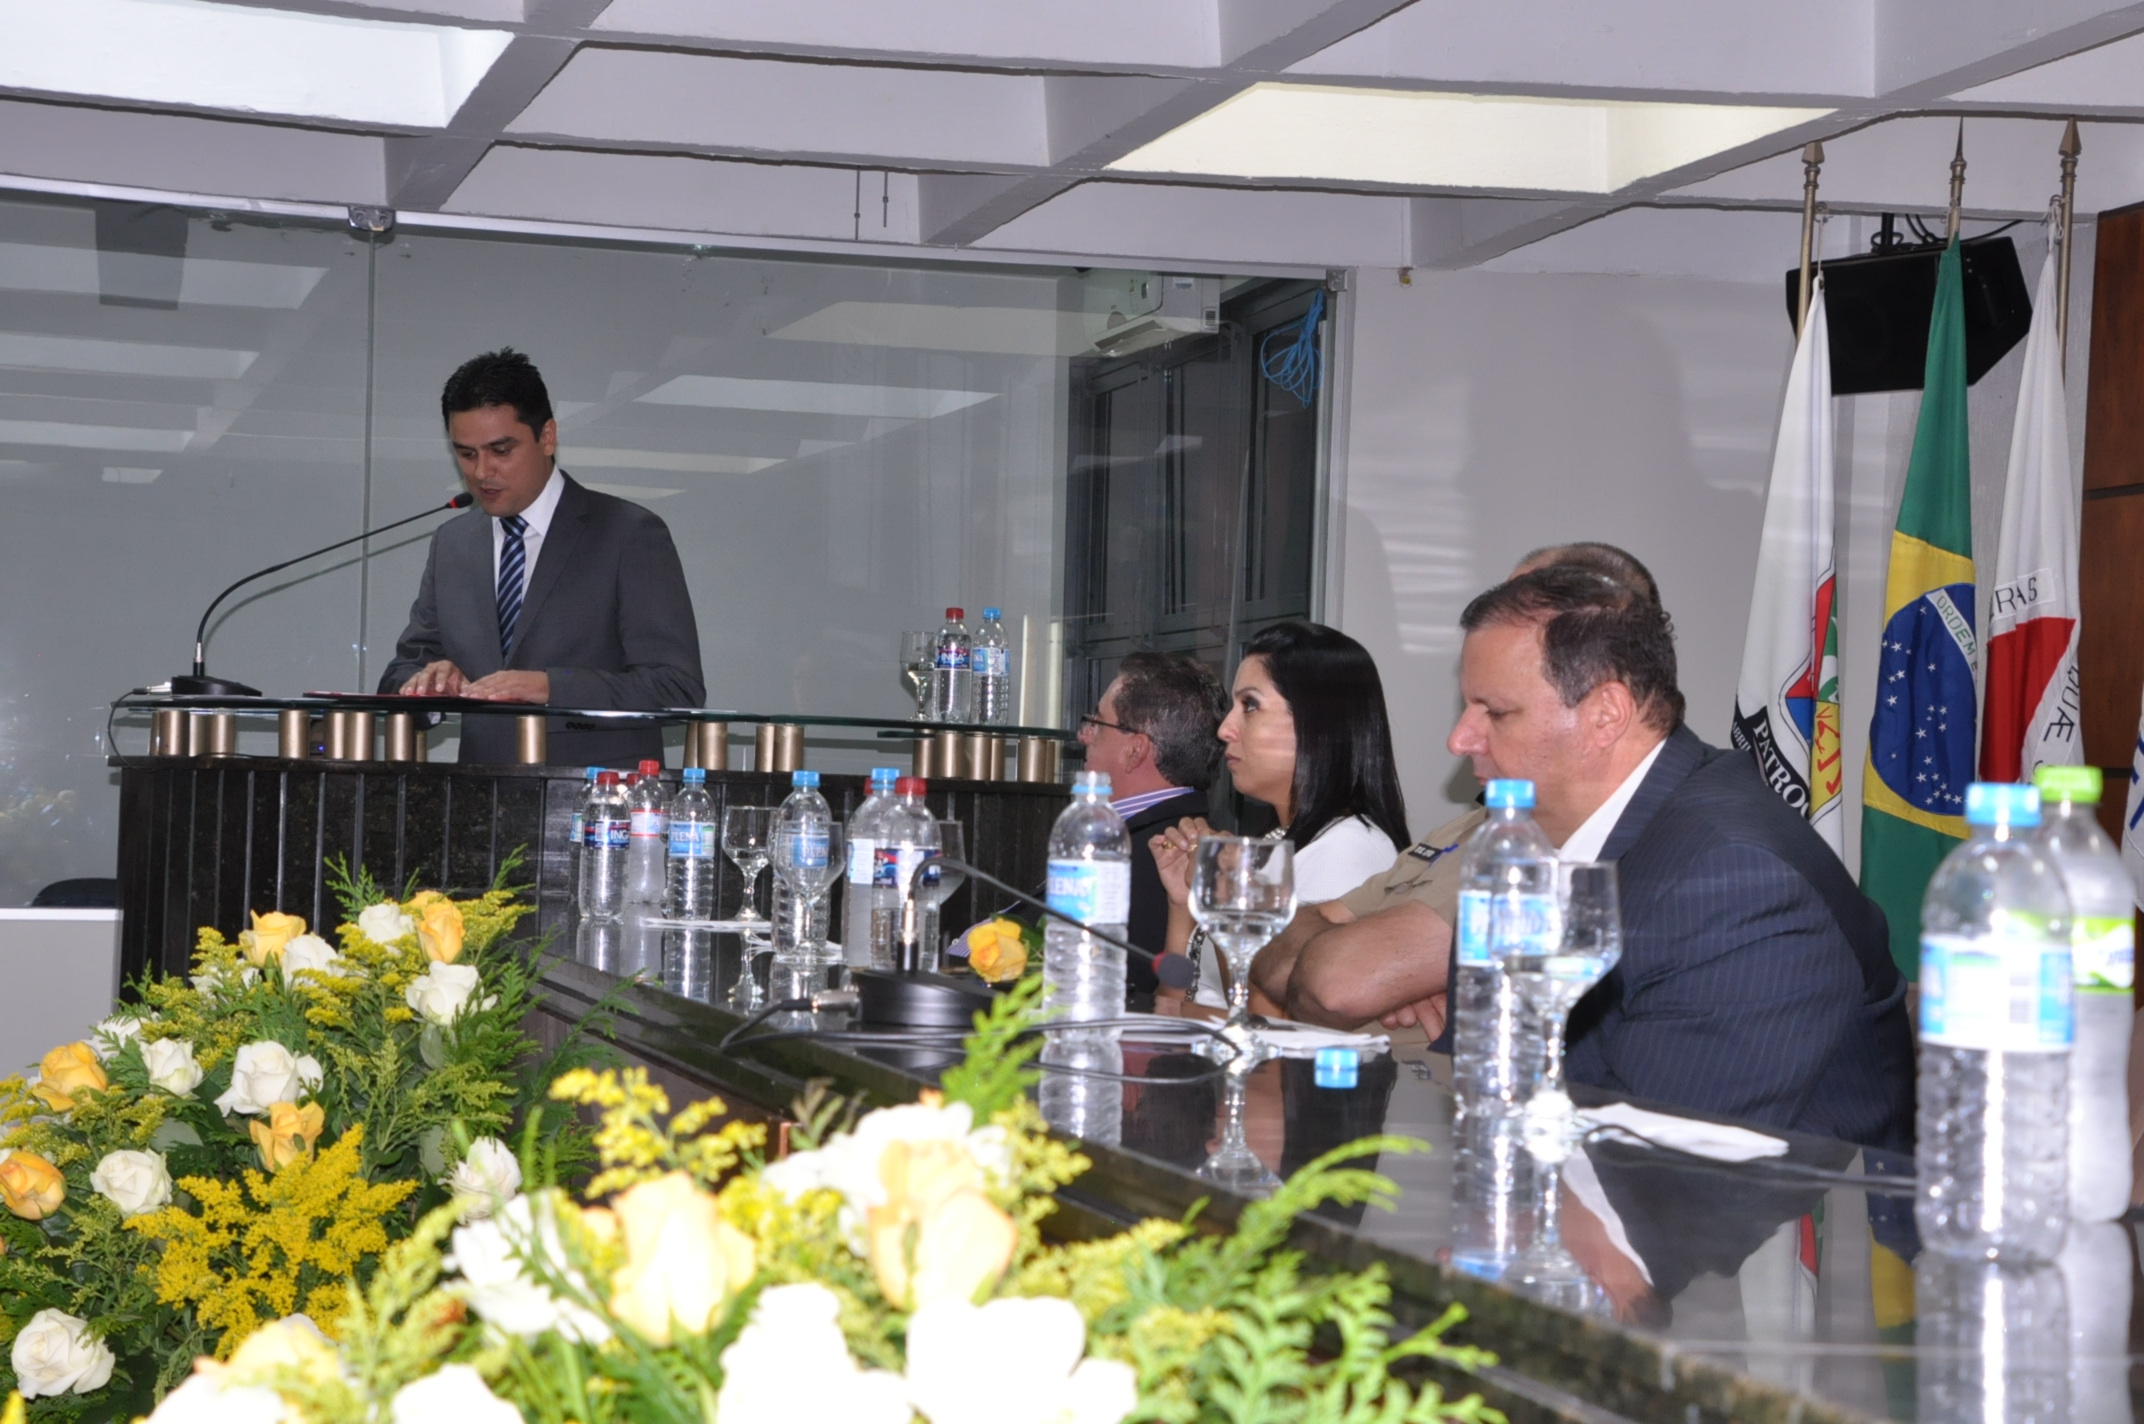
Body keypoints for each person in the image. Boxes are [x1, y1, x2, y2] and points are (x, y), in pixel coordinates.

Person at [1257, 553, 1915, 1152]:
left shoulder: (1736, 879)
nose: (1460, 739)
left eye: (1495, 712)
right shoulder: (1532, 844)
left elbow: (1661, 1176)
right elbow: (1481, 1080)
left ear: (1606, 715)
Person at [1243, 544, 1658, 1031]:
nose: (1458, 741)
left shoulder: (1551, 841)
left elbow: (1336, 987)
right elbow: (1276, 948)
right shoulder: (1466, 829)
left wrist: (1346, 956)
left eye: (1495, 710)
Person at [379, 349, 704, 766]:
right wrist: (428, 684)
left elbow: (676, 687)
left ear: (547, 437)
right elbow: (402, 670)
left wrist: (551, 687)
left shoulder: (628, 533)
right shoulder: (453, 543)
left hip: (597, 797)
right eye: (467, 454)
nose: (481, 472)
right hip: (478, 792)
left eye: (501, 450)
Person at [1149, 622, 1410, 1007]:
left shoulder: (1347, 851)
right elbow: (1173, 999)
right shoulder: (1279, 841)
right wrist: (1183, 901)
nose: (1225, 729)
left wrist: (1224, 895)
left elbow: (1269, 1020)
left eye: (1250, 706)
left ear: (1316, 722)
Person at [1074, 652, 1226, 998]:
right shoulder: (1124, 832)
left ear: (1135, 751)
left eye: (1097, 723)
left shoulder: (1168, 853)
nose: (1084, 736)